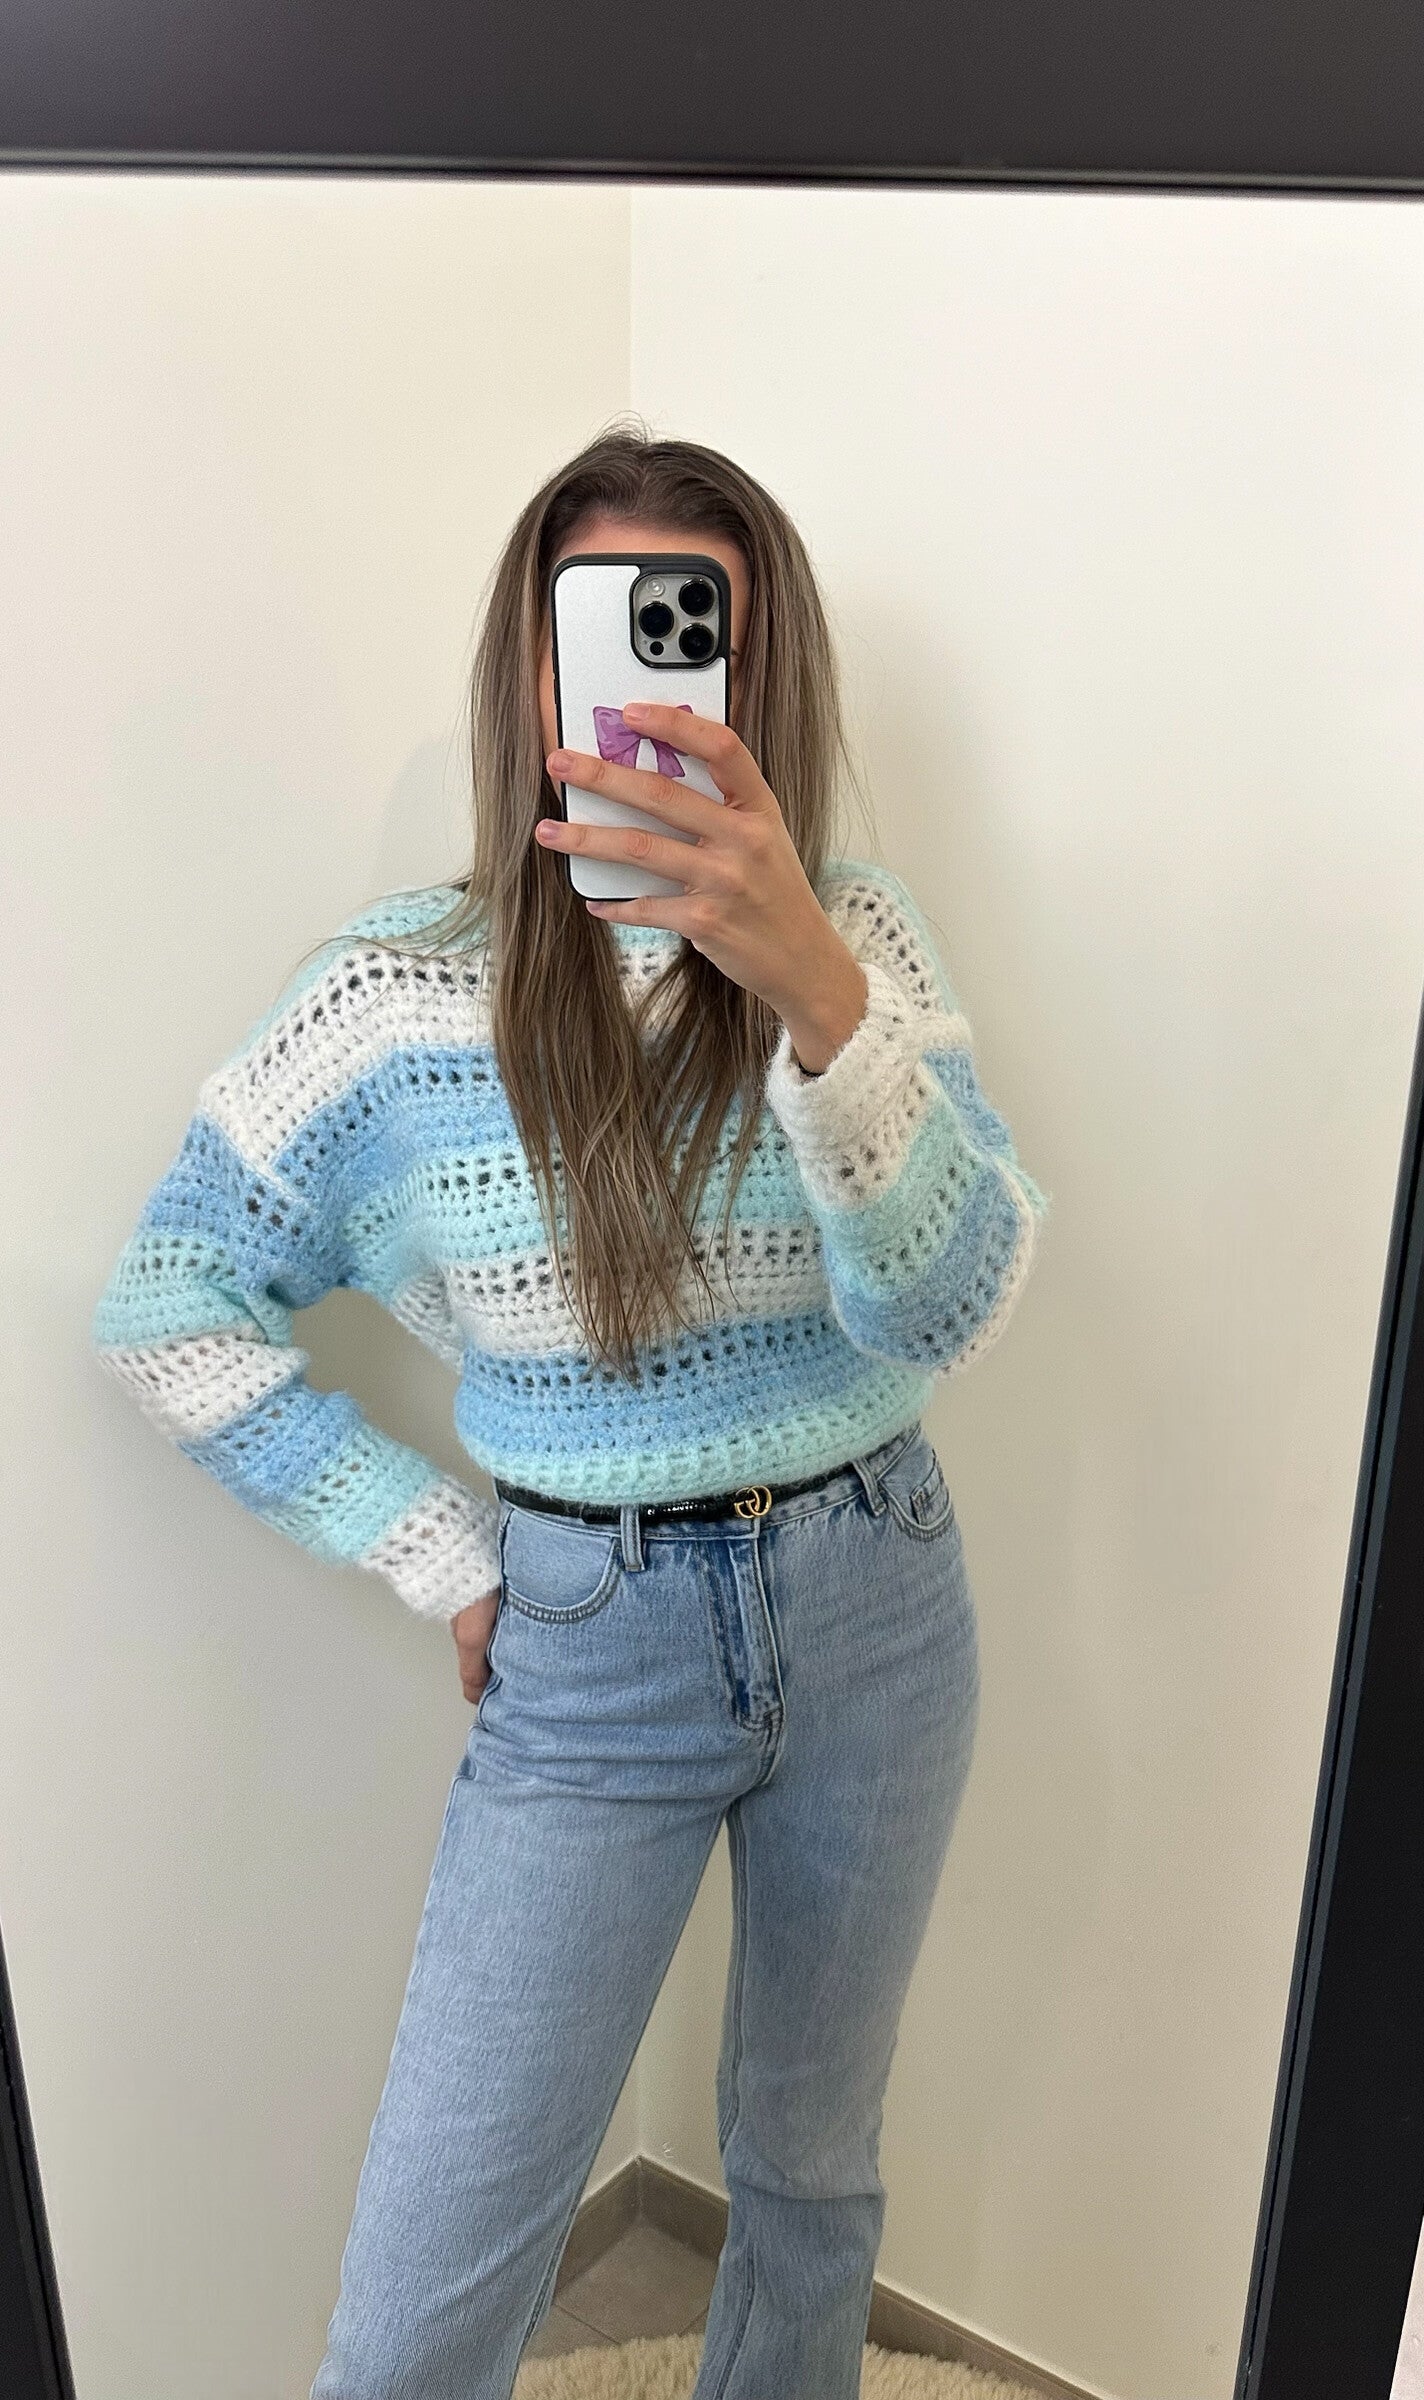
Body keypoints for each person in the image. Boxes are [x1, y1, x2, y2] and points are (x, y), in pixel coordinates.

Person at [91, 424, 1050, 2400]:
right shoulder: (394, 999)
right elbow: (170, 1304)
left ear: (760, 679)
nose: (642, 682)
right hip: (587, 1643)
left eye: (694, 634)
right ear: (529, 671)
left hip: (882, 1600)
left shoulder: (856, 940)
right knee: (418, 2307)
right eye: (598, 629)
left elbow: (952, 1304)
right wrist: (444, 1554)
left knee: (810, 2169)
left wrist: (818, 1000)